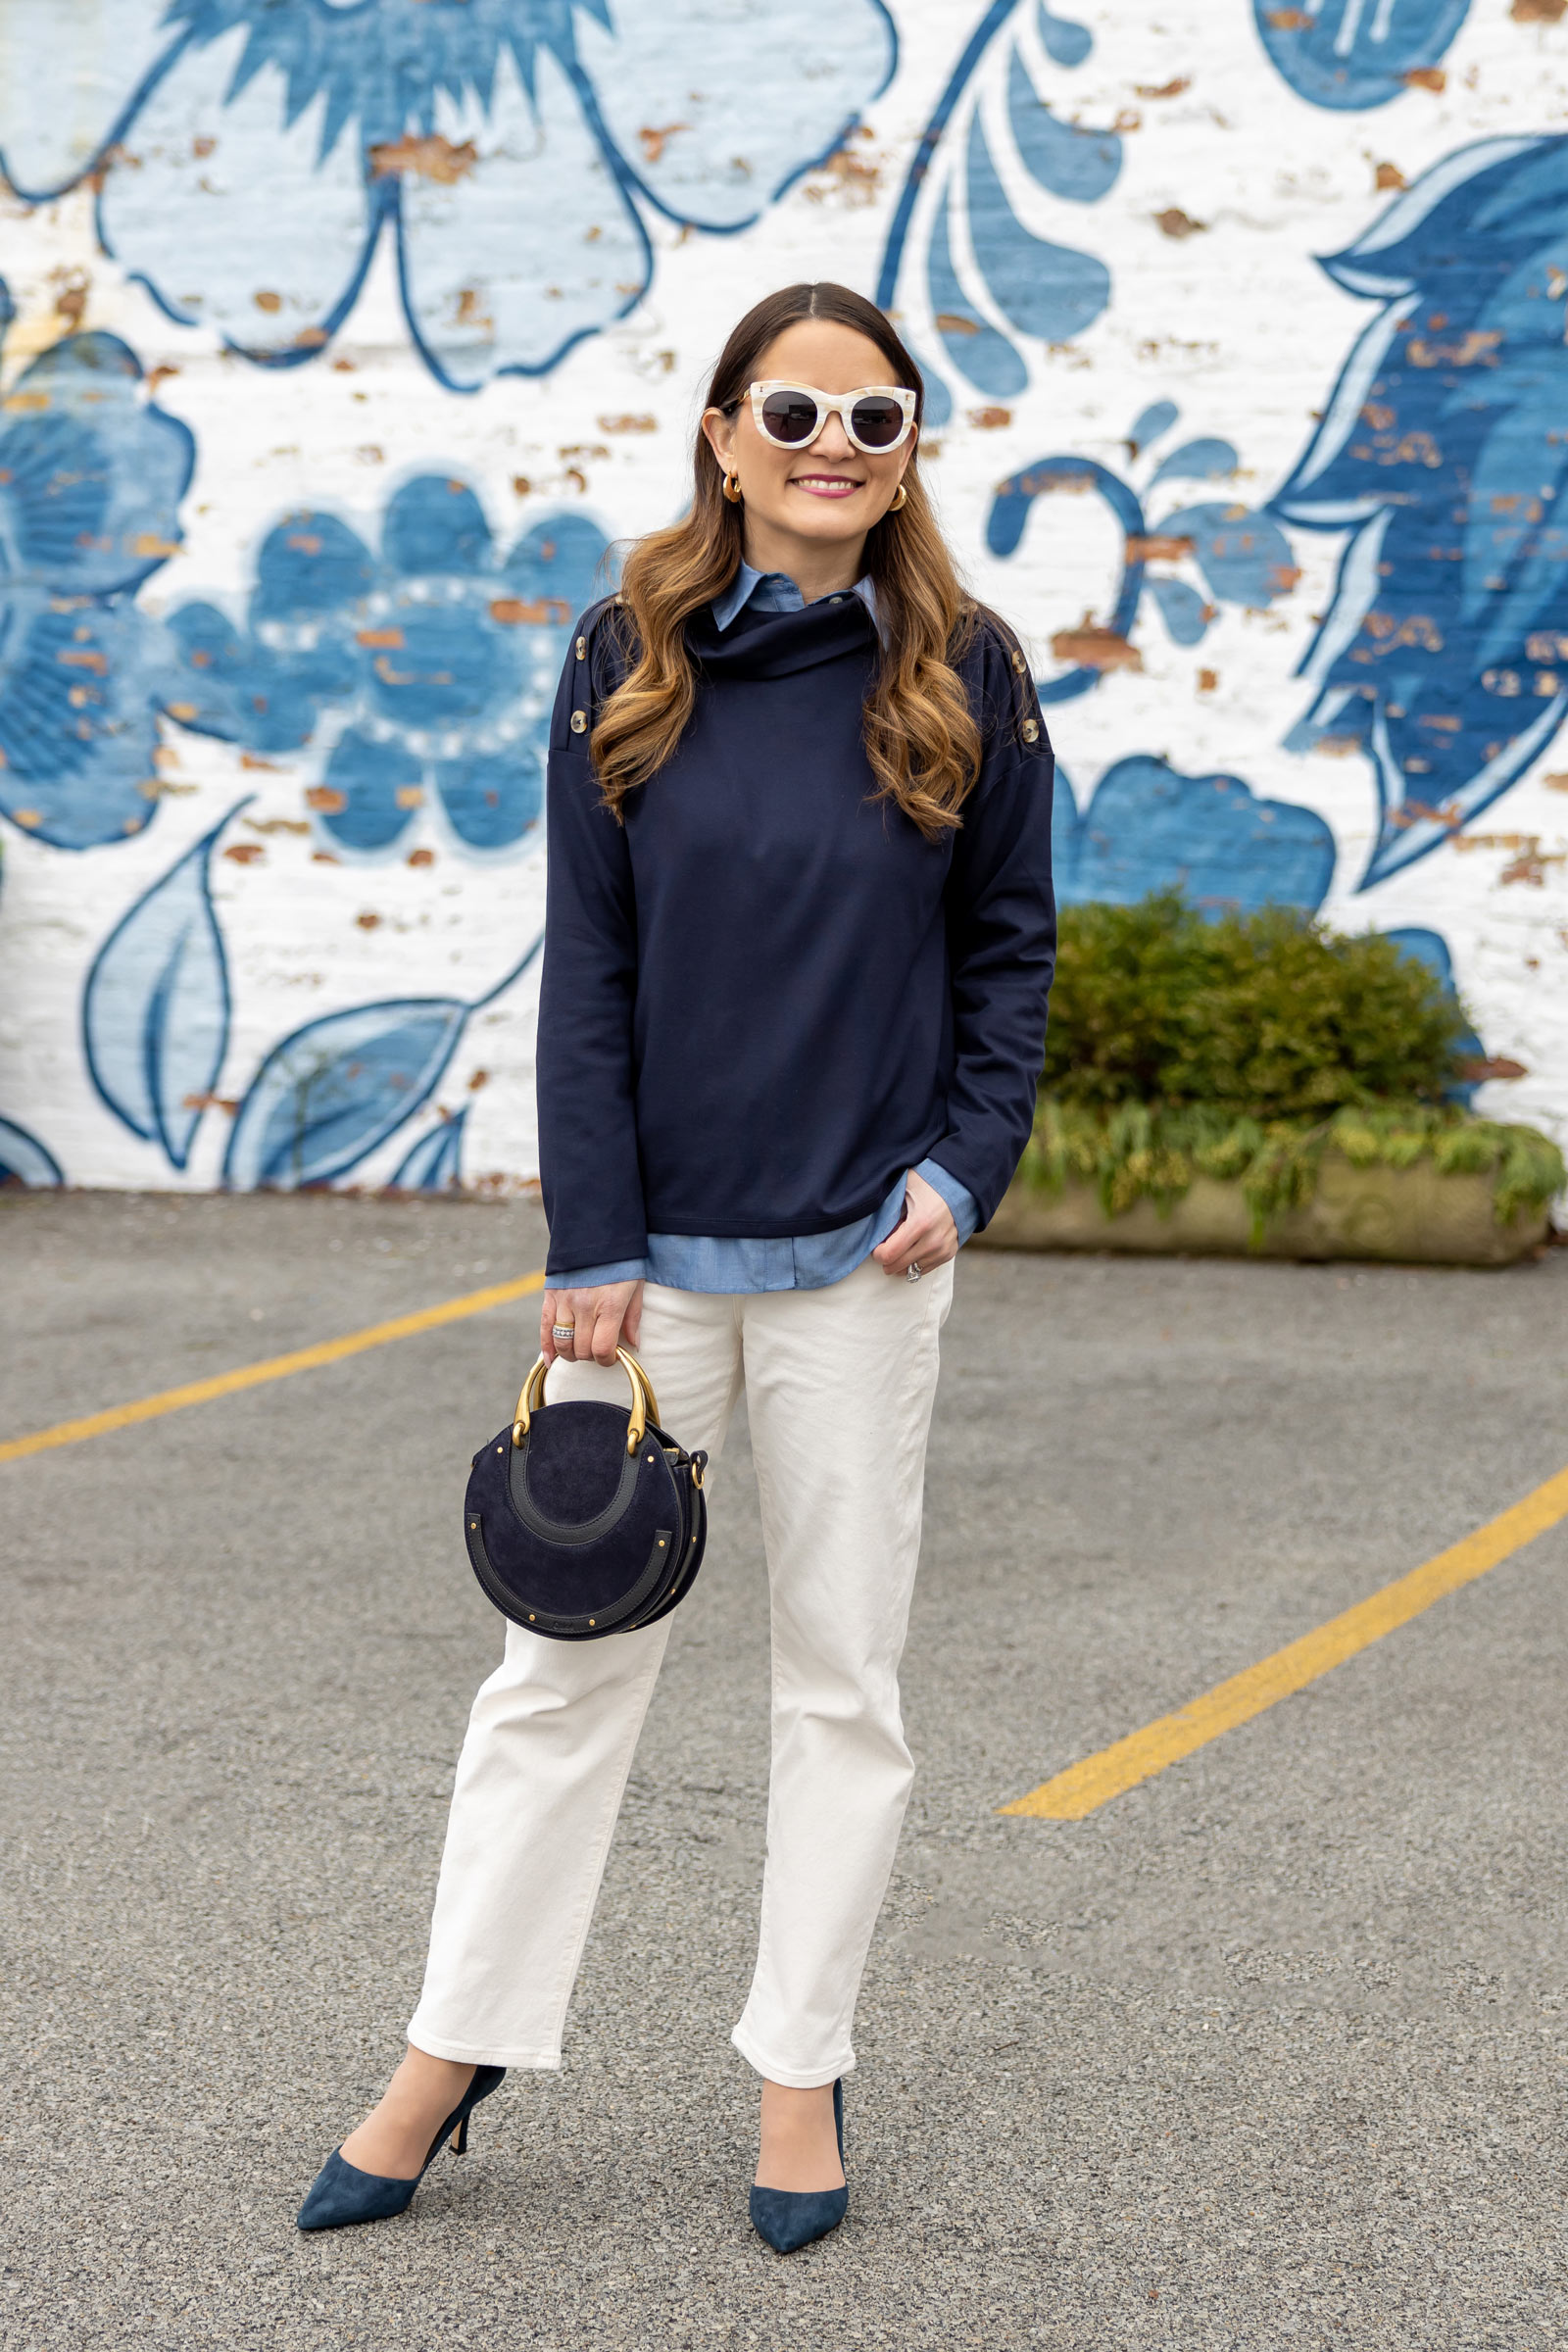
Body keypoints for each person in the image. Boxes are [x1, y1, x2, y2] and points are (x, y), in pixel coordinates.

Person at [297, 280, 1055, 2252]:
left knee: (841, 1683)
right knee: (557, 1669)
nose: (830, 450)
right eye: (791, 414)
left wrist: (963, 1173)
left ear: (905, 456)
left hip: (862, 1269)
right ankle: (447, 2051)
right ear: (720, 435)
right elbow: (591, 966)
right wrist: (589, 1239)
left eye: (872, 422)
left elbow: (1007, 955)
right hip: (648, 1281)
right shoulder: (622, 657)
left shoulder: (965, 665)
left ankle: (797, 2068)